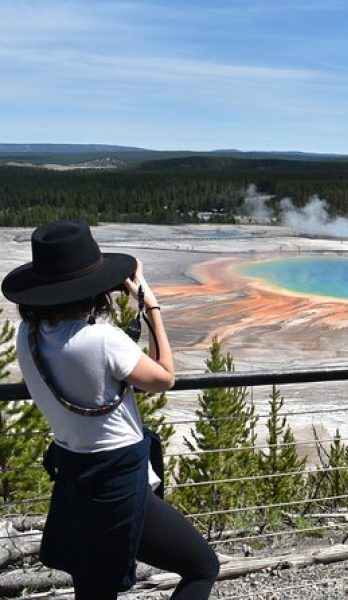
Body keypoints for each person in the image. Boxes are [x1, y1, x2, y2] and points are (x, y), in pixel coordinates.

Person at [1, 220, 219, 599]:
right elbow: (165, 376)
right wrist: (149, 305)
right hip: (117, 481)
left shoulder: (28, 335)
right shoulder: (102, 340)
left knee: (96, 588)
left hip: (74, 478)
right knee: (202, 567)